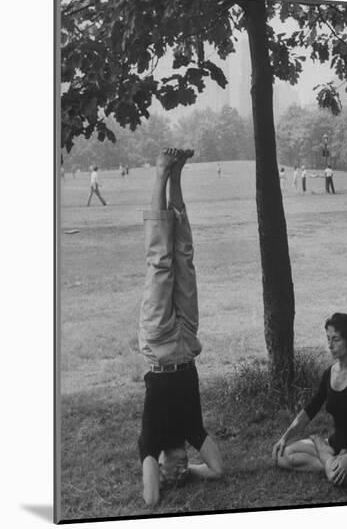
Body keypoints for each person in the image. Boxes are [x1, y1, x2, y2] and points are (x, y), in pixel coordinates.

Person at [138, 147, 223, 507]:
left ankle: (160, 171)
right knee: (185, 256)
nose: (183, 467)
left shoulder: (151, 441)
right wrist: (192, 474)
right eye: (185, 468)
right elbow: (217, 470)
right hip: (187, 339)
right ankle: (177, 176)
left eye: (177, 470)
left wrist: (160, 474)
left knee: (161, 261)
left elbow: (150, 500)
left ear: (159, 466)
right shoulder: (190, 431)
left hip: (158, 342)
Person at [272, 313, 347, 487]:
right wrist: (285, 437)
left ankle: (322, 449)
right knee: (280, 456)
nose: (330, 345)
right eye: (328, 338)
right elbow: (311, 408)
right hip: (335, 443)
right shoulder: (329, 372)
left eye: (336, 339)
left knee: (337, 478)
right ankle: (330, 460)